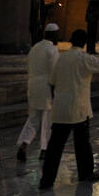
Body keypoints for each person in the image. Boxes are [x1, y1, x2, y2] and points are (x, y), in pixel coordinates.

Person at [38, 28, 99, 189]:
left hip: (61, 109)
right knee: (82, 144)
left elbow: (52, 83)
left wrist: (56, 100)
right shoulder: (84, 58)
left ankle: (46, 180)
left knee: (54, 147)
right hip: (79, 109)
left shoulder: (61, 59)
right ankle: (85, 173)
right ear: (84, 42)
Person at [17, 22, 60, 161]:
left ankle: (24, 144)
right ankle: (44, 149)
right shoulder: (52, 50)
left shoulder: (34, 48)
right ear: (53, 35)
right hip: (46, 87)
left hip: (33, 86)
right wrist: (55, 92)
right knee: (47, 120)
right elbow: (54, 73)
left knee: (33, 118)